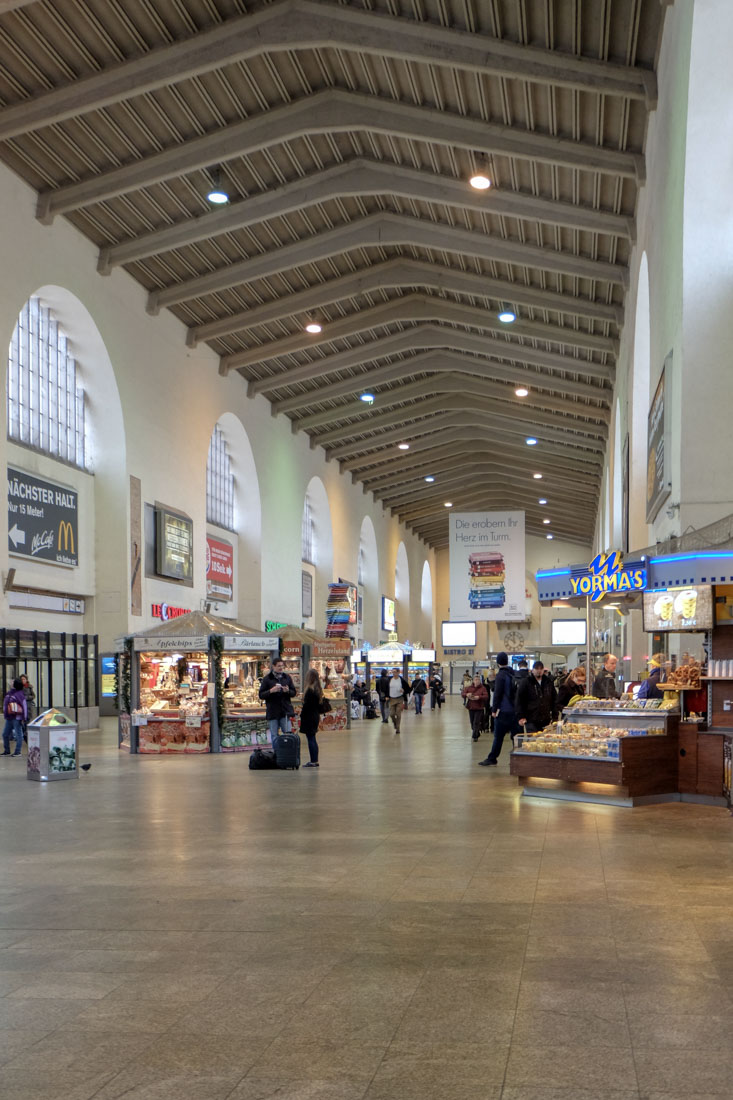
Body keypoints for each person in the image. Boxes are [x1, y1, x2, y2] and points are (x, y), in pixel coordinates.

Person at [479, 652, 517, 766]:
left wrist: (494, 710)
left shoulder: (500, 676)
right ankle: (517, 758)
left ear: (498, 662)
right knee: (515, 737)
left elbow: (498, 694)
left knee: (498, 737)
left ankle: (492, 758)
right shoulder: (513, 673)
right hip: (514, 711)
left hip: (503, 711)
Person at [258, 657, 297, 743]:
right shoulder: (267, 679)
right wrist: (271, 691)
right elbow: (261, 695)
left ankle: (287, 753)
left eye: (282, 666)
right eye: (279, 666)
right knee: (274, 735)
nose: (281, 668)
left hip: (285, 712)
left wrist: (288, 691)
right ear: (273, 667)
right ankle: (276, 754)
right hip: (273, 712)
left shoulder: (287, 678)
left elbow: (294, 693)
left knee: (288, 734)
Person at [516, 661, 557, 733]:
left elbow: (554, 699)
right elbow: (520, 700)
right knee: (532, 740)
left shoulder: (548, 682)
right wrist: (521, 716)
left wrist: (555, 716)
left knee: (544, 741)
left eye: (541, 669)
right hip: (531, 719)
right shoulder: (526, 682)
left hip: (546, 719)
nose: (539, 671)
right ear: (532, 670)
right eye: (536, 669)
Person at [299, 668, 323, 767]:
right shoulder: (318, 689)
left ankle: (313, 761)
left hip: (309, 716)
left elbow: (307, 706)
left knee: (311, 738)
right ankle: (315, 760)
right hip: (315, 715)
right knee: (312, 737)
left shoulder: (309, 690)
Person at [3, 678, 27, 757]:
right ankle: (7, 750)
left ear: (16, 684)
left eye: (13, 681)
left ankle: (17, 751)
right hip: (9, 717)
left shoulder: (19, 694)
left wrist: (24, 717)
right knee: (5, 734)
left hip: (17, 717)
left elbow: (24, 706)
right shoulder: (9, 693)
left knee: (18, 735)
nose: (11, 682)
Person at [462, 673, 488, 741]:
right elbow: (463, 694)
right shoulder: (469, 688)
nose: (477, 681)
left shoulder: (483, 688)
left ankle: (475, 736)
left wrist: (478, 697)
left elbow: (486, 696)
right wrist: (467, 694)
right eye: (476, 679)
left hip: (479, 707)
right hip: (471, 707)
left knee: (476, 722)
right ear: (473, 680)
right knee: (472, 722)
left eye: (478, 679)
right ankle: (477, 732)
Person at [387, 666, 410, 734]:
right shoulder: (390, 679)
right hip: (392, 698)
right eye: (392, 672)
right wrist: (386, 696)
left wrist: (404, 690)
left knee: (398, 714)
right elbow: (386, 688)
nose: (393, 673)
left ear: (398, 672)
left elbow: (408, 689)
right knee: (391, 714)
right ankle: (395, 723)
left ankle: (398, 728)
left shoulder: (402, 680)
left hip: (400, 698)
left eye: (395, 672)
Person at [20, 673, 35, 741]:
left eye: (24, 679)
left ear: (26, 680)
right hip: (21, 706)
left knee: (27, 721)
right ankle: (24, 734)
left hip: (28, 706)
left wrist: (27, 697)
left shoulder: (29, 687)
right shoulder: (19, 687)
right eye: (22, 679)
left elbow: (33, 696)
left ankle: (26, 735)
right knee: (21, 722)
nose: (23, 680)